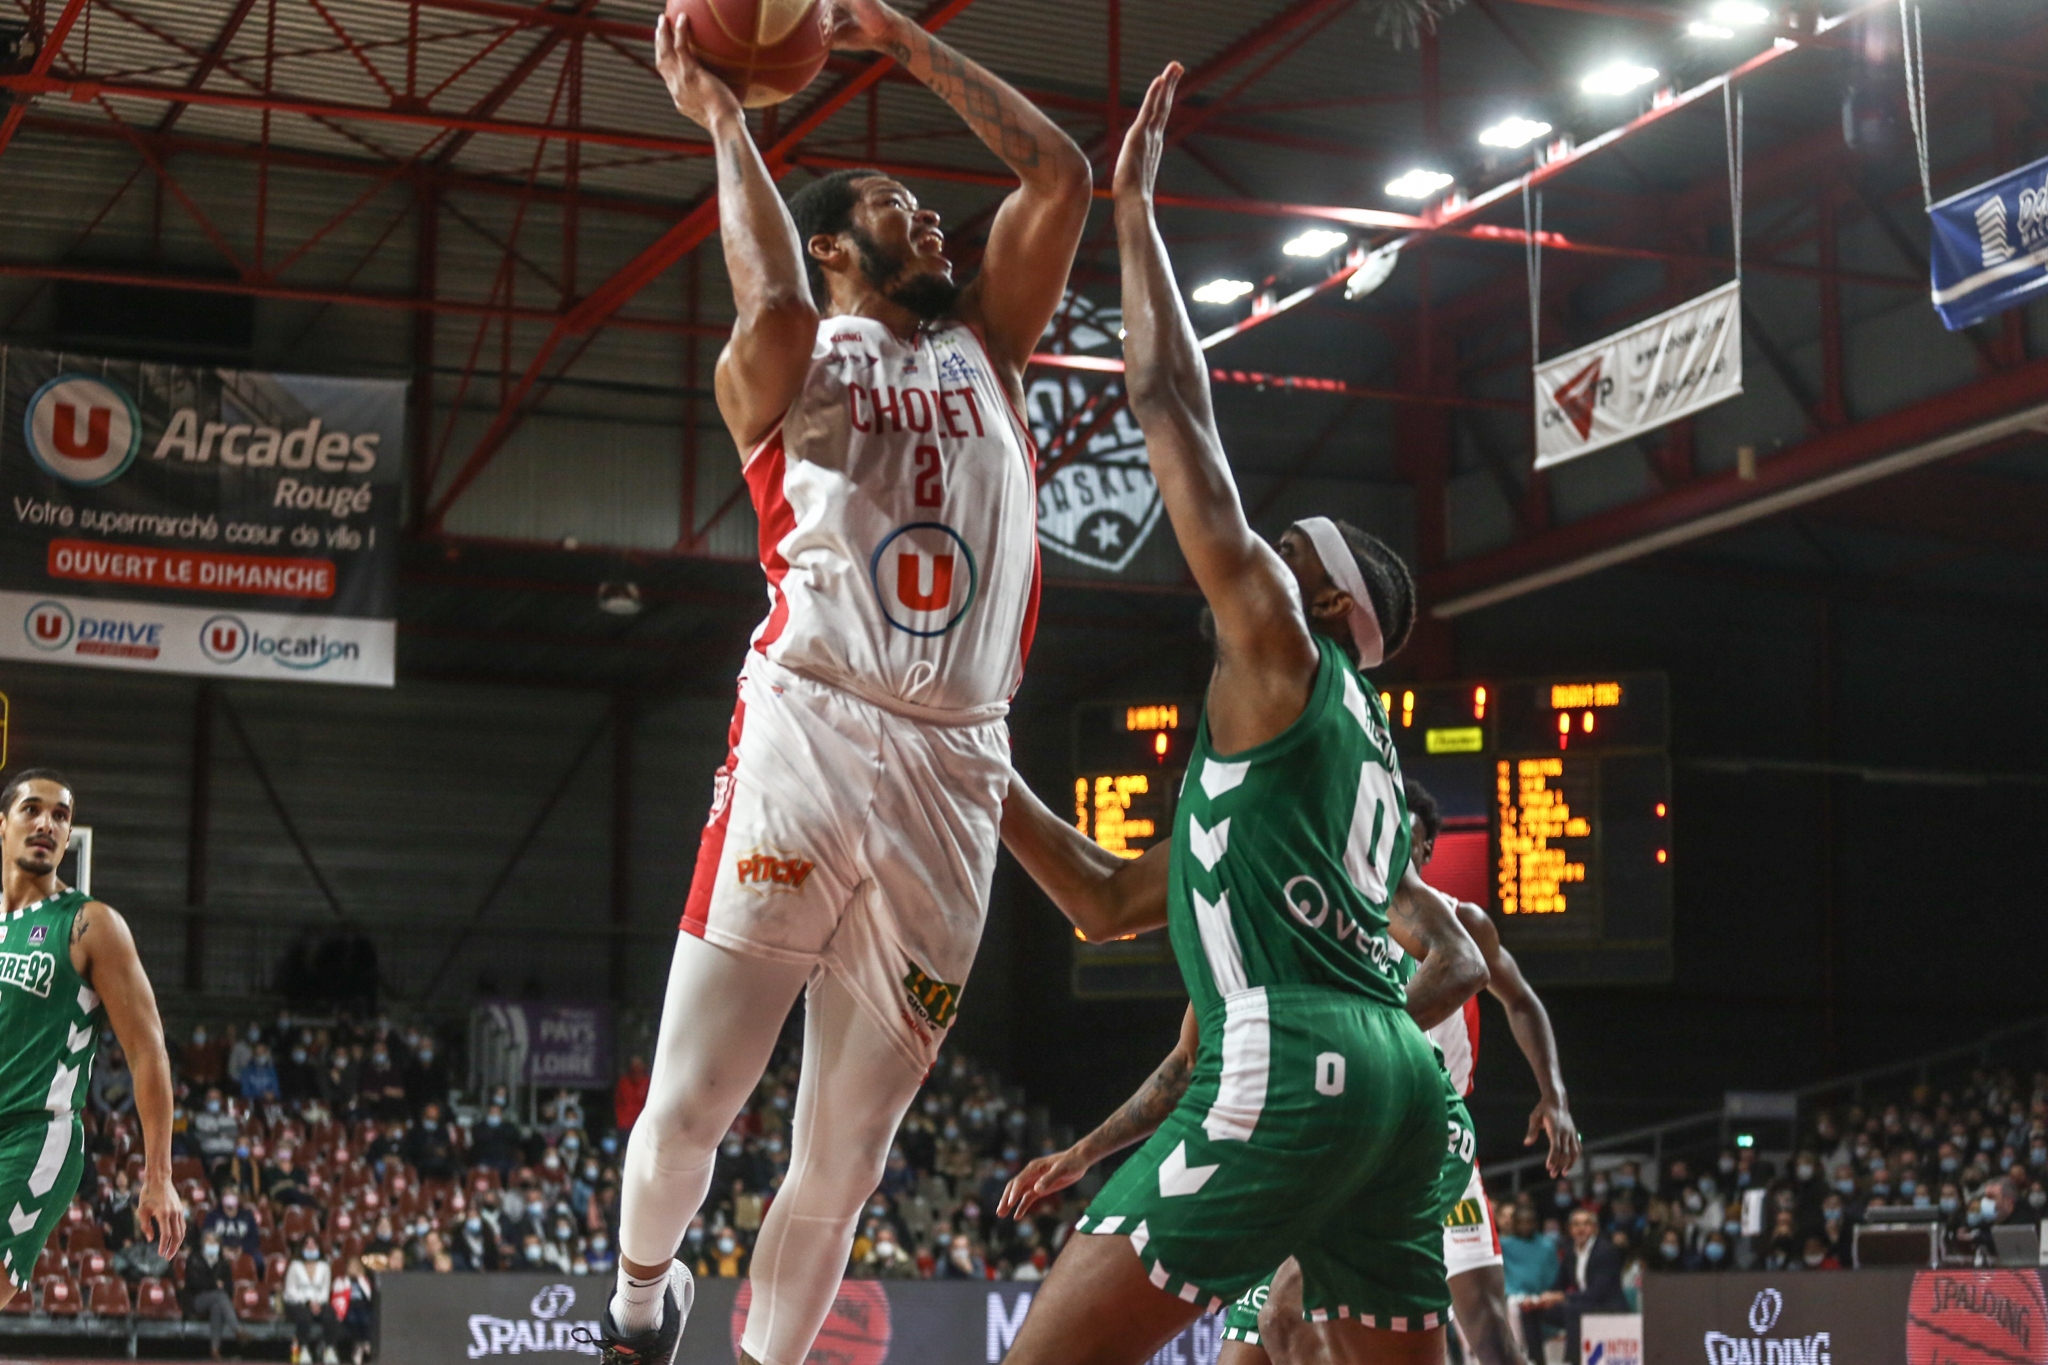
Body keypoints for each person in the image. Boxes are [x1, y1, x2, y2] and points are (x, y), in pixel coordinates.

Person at [600, 1, 1090, 1363]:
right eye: (897, 202)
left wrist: (912, 48)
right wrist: (725, 122)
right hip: (809, 729)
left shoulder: (990, 347)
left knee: (845, 1157)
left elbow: (1058, 176)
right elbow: (767, 297)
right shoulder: (789, 358)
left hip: (958, 766)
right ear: (830, 242)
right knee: (697, 1099)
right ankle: (639, 1314)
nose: (932, 217)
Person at [991, 65, 1485, 1365]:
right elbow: (1102, 896)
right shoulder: (1335, 758)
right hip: (1399, 1084)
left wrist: (1137, 210)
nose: (1248, 556)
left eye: (1280, 554)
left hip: (1295, 1059)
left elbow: (1167, 404)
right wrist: (964, 753)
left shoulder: (1280, 647)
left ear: (1313, 596)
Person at [0, 770, 184, 1310]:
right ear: (2, 825)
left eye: (61, 815)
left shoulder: (89, 924)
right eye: (32, 809)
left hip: (33, 1136)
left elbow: (147, 1049)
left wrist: (159, 1176)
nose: (47, 824)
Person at [1520, 1209, 1627, 1365]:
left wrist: (1561, 1297)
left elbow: (1596, 1293)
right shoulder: (1570, 1251)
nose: (1580, 1229)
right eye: (1576, 1224)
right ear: (1570, 1229)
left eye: (1586, 1224)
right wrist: (1540, 1299)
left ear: (1595, 1228)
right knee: (1530, 1310)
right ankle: (1536, 1361)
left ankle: (1572, 1361)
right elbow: (1559, 1284)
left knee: (1572, 1309)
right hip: (1581, 1304)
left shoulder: (1606, 1251)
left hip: (1607, 1305)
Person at [183, 1233, 242, 1361]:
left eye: (214, 1242)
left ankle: (215, 1350)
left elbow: (229, 1289)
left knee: (217, 1304)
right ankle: (237, 1330)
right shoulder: (194, 1259)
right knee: (219, 1296)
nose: (211, 1245)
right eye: (208, 1242)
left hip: (216, 1300)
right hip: (196, 1300)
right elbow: (192, 1283)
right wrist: (214, 1284)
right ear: (203, 1244)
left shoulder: (222, 1263)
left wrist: (217, 1287)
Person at [285, 1236, 341, 1364]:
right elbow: (290, 1291)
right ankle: (303, 1349)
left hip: (319, 1302)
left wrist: (316, 1303)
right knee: (303, 1315)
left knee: (330, 1314)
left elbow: (325, 1291)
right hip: (297, 1302)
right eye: (307, 1244)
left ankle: (329, 1349)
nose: (310, 1247)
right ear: (302, 1248)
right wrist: (308, 1302)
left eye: (313, 1244)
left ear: (318, 1247)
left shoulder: (324, 1267)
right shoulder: (295, 1266)